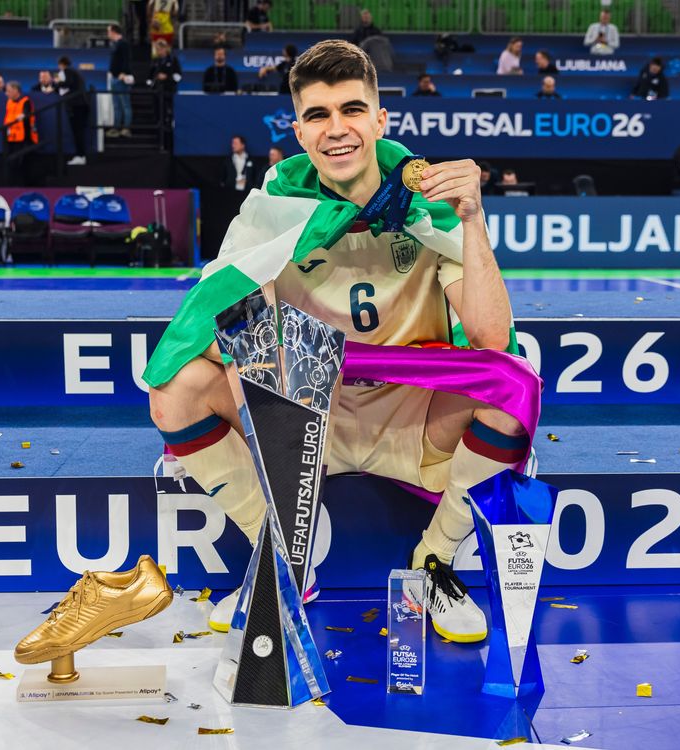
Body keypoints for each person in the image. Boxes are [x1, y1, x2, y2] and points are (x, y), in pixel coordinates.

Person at [148, 39, 526, 644]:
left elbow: (491, 339)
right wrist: (274, 366)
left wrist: (474, 221)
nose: (337, 129)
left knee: (511, 388)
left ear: (379, 119)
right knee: (179, 389)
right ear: (299, 131)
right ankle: (280, 556)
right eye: (318, 115)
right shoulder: (275, 207)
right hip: (308, 418)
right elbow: (221, 330)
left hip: (411, 416)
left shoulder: (430, 201)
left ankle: (434, 561)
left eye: (352, 110)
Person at [57, 56, 90, 166]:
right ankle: (81, 155)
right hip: (81, 104)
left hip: (77, 105)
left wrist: (57, 83)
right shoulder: (76, 72)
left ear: (62, 64)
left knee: (77, 131)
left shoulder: (68, 71)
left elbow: (68, 83)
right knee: (78, 131)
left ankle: (80, 155)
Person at [2, 80, 36, 186]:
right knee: (10, 165)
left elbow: (26, 114)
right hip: (10, 138)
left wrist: (23, 116)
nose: (6, 94)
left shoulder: (25, 101)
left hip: (23, 139)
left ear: (16, 90)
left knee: (21, 164)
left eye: (9, 91)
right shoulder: (9, 102)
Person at [108, 23, 135, 138]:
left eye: (108, 31)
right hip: (114, 78)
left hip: (120, 78)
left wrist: (123, 73)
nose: (107, 33)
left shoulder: (123, 44)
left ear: (114, 31)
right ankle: (116, 127)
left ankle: (126, 128)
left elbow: (126, 59)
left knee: (125, 104)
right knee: (116, 105)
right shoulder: (116, 44)